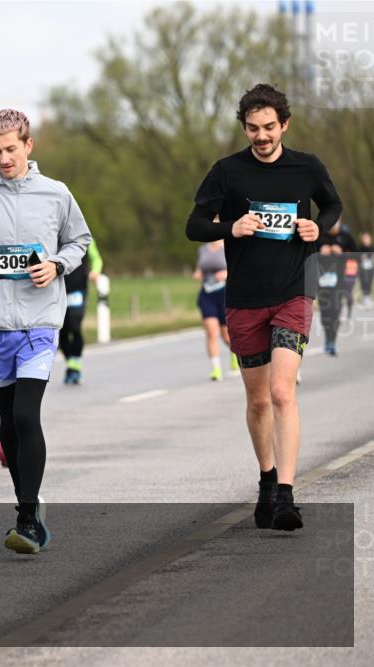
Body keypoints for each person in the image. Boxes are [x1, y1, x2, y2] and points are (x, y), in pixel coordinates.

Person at [186, 84, 342, 532]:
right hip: (245, 300)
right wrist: (230, 226)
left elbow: (333, 204)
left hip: (295, 291)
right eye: (253, 128)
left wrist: (320, 227)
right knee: (257, 401)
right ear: (245, 128)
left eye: (269, 127)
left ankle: (288, 498)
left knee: (281, 392)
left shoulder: (306, 167)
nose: (261, 135)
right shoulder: (227, 172)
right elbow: (193, 225)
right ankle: (267, 483)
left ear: (284, 125)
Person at [0, 109, 91, 554]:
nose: (4, 157)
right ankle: (28, 502)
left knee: (27, 416)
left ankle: (27, 519)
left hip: (40, 324)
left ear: (29, 145)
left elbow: (79, 242)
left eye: (11, 148)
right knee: (8, 425)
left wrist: (56, 265)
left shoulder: (56, 194)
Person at [192, 239, 238, 381]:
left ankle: (235, 353)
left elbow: (237, 267)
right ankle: (216, 369)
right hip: (207, 293)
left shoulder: (229, 246)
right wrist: (197, 274)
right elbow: (199, 269)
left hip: (224, 293)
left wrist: (226, 274)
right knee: (211, 332)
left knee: (226, 336)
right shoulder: (203, 249)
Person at [60, 239, 103, 385]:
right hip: (58, 292)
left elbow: (96, 258)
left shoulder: (85, 237)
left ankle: (74, 367)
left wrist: (95, 272)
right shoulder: (54, 234)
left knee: (75, 326)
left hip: (78, 290)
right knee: (62, 332)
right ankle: (72, 364)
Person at [315, 235, 345, 356]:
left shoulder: (344, 236)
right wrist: (320, 252)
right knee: (326, 315)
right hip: (322, 287)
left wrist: (341, 253)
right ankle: (328, 339)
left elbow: (355, 256)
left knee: (336, 314)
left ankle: (332, 341)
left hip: (338, 286)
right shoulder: (318, 236)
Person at [359, 231, 374, 308]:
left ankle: (368, 297)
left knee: (369, 281)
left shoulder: (372, 248)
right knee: (363, 281)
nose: (365, 240)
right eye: (364, 238)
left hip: (370, 268)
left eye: (367, 238)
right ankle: (364, 297)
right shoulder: (360, 248)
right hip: (362, 268)